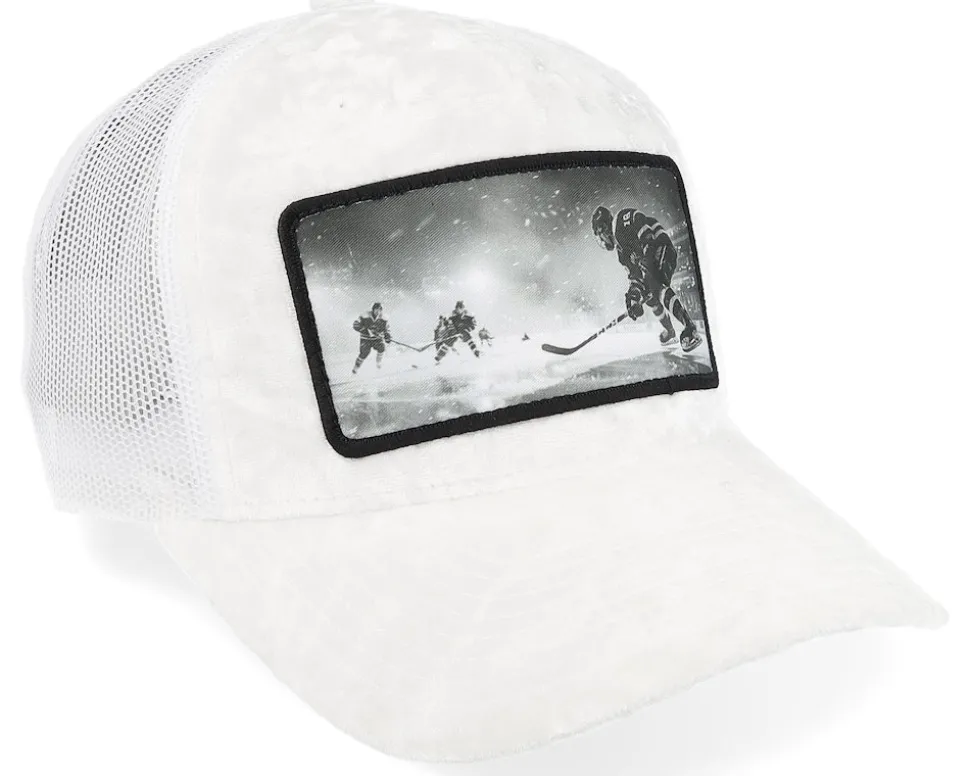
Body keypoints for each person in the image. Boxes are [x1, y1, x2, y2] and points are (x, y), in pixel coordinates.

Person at [591, 205, 702, 352]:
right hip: (652, 258)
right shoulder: (621, 254)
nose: (602, 240)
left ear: (604, 228)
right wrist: (634, 298)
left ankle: (691, 329)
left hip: (661, 246)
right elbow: (635, 277)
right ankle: (669, 331)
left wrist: (647, 249)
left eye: (600, 235)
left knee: (654, 286)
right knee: (649, 297)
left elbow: (639, 219)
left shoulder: (619, 221)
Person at [351, 302, 392, 374]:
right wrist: (365, 330)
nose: (378, 312)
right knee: (364, 353)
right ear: (373, 310)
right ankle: (356, 368)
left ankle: (378, 362)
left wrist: (387, 336)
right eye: (376, 310)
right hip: (365, 339)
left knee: (382, 348)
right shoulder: (364, 316)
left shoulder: (384, 319)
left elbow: (386, 329)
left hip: (377, 339)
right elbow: (355, 325)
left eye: (380, 310)